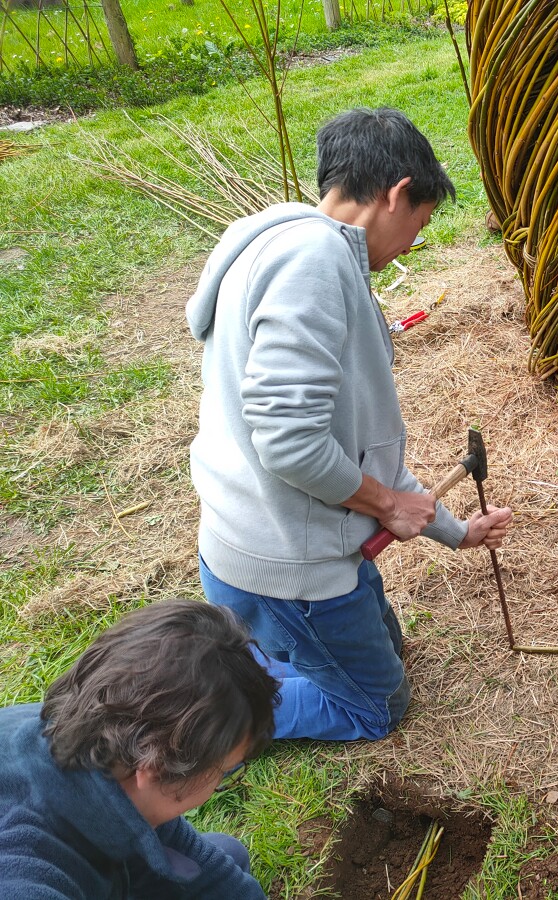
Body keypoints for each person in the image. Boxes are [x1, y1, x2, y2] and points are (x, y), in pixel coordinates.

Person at [186, 108, 513, 742]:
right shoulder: (314, 261)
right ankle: (209, 718)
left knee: (388, 647)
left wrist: (455, 530)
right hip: (289, 564)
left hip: (250, 541)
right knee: (377, 706)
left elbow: (357, 448)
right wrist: (387, 503)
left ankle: (244, 660)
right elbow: (290, 440)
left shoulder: (275, 243)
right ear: (396, 193)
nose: (414, 242)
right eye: (419, 221)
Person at [0, 599, 277, 899]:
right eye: (224, 772)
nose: (220, 782)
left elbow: (185, 853)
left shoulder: (96, 732)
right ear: (156, 766)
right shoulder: (25, 871)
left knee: (227, 855)